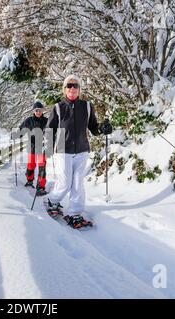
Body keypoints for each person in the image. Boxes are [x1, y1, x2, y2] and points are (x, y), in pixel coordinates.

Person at [44, 75, 112, 227]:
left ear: (80, 89)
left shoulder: (87, 106)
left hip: (82, 150)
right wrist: (49, 146)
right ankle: (51, 201)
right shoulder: (58, 108)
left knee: (77, 184)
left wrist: (102, 128)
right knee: (65, 183)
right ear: (64, 89)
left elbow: (94, 128)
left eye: (75, 86)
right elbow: (49, 130)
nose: (72, 88)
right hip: (62, 150)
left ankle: (75, 213)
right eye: (69, 85)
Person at [18, 101, 48, 196]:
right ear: (34, 111)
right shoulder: (29, 120)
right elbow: (21, 129)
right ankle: (30, 181)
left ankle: (41, 187)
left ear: (42, 111)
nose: (38, 112)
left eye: (40, 110)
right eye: (36, 110)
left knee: (42, 167)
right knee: (31, 165)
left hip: (42, 147)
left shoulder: (46, 121)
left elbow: (52, 130)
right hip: (32, 146)